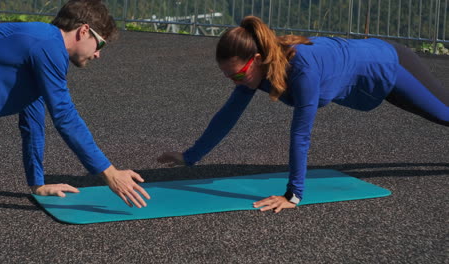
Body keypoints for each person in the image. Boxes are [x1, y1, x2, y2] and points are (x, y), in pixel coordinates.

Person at [157, 16, 448, 213]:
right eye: (227, 76)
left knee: (444, 114)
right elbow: (228, 115)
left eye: (237, 74)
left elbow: (301, 134)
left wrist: (292, 195)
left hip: (389, 64)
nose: (234, 81)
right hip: (375, 76)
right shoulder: (256, 73)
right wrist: (190, 157)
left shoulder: (302, 70)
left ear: (256, 60)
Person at [0, 0, 150, 207]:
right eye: (101, 43)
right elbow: (64, 116)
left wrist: (37, 184)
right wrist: (110, 173)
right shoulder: (47, 44)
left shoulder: (42, 47)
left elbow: (32, 121)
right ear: (84, 31)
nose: (98, 54)